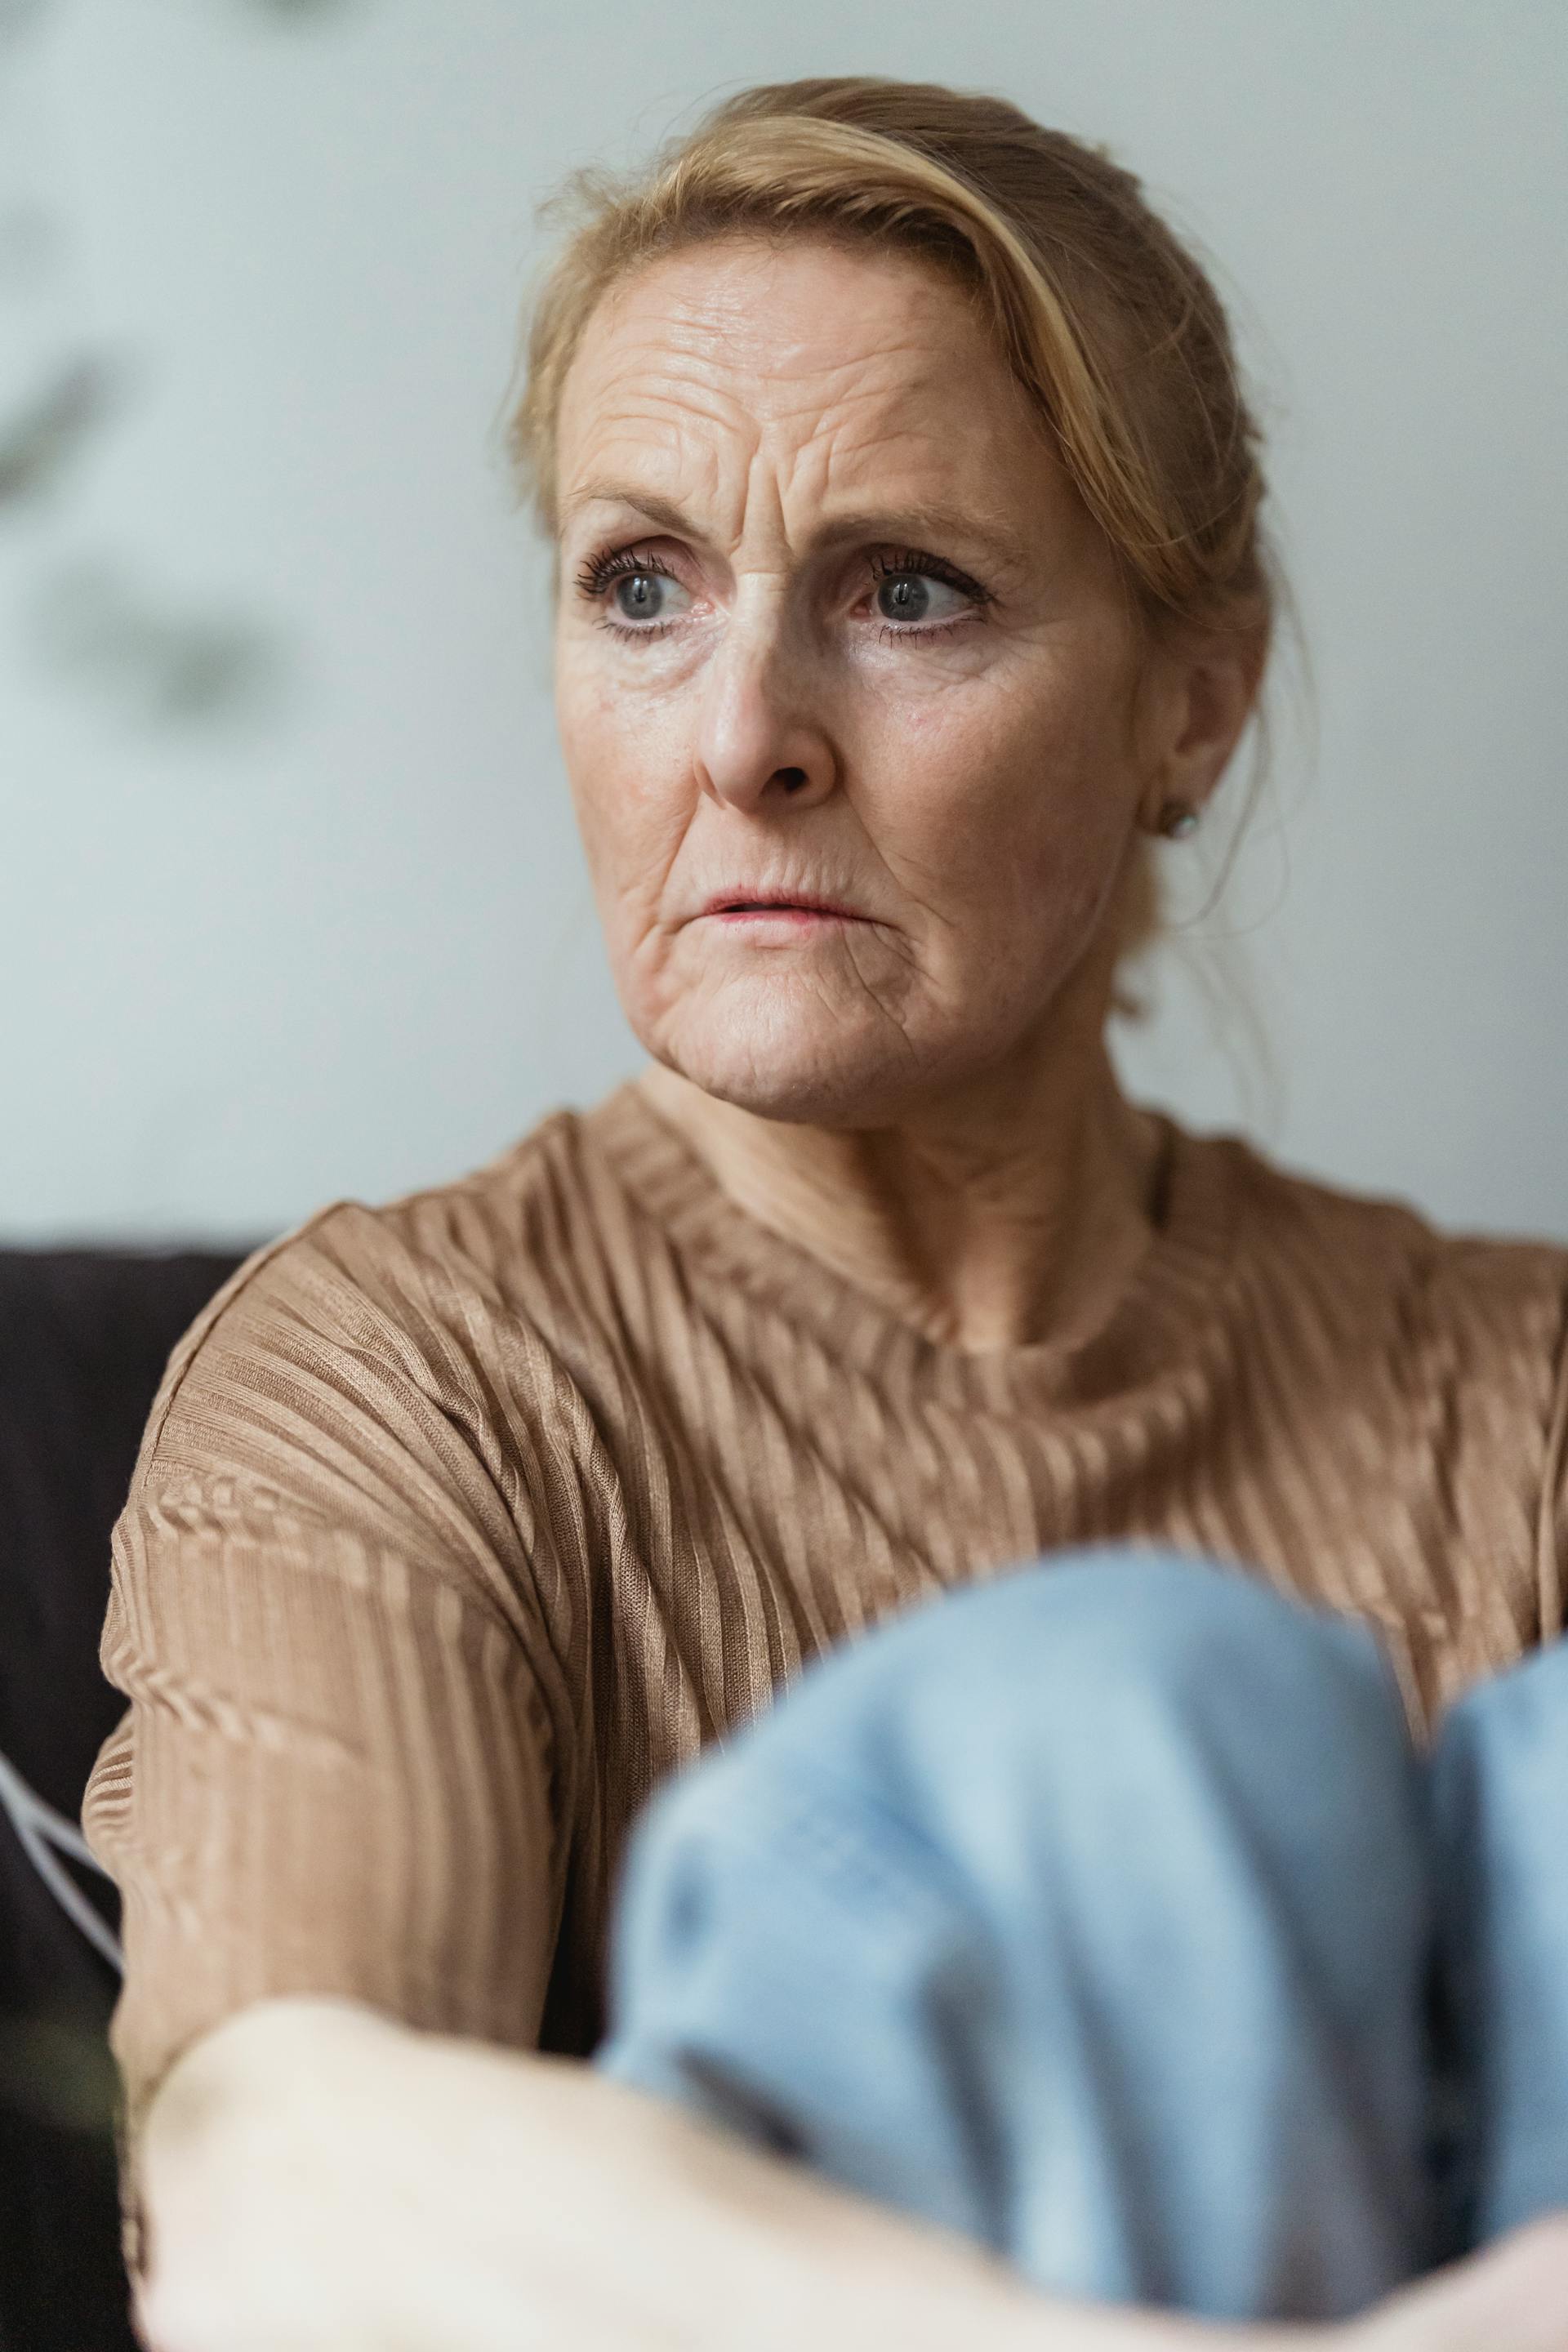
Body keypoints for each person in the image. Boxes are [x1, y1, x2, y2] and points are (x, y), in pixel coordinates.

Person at [82, 74, 1568, 2352]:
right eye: (643, 586)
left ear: (1196, 701)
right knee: (1125, 1730)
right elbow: (281, 2194)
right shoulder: (408, 1369)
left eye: (909, 592)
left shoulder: (1518, 1391)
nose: (743, 733)